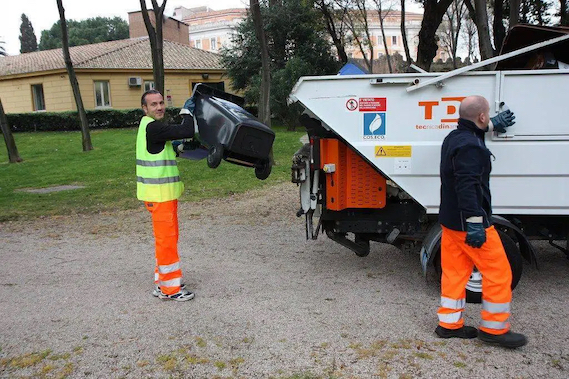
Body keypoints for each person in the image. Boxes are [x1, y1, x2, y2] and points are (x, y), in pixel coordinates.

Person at [435, 95, 527, 348]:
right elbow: (468, 186)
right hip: (469, 224)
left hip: (451, 222)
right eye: (486, 117)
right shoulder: (471, 147)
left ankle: (449, 325)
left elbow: (471, 136)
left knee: (455, 273)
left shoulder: (455, 138)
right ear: (482, 116)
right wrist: (476, 222)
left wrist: (490, 126)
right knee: (498, 272)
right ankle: (494, 329)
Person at [136, 89, 196, 301]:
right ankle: (171, 290)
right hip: (159, 197)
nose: (160, 107)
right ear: (145, 108)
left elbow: (164, 149)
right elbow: (186, 130)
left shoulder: (150, 127)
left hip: (161, 196)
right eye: (154, 104)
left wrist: (176, 149)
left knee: (167, 240)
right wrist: (188, 111)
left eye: (161, 103)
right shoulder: (153, 127)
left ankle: (163, 283)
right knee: (167, 241)